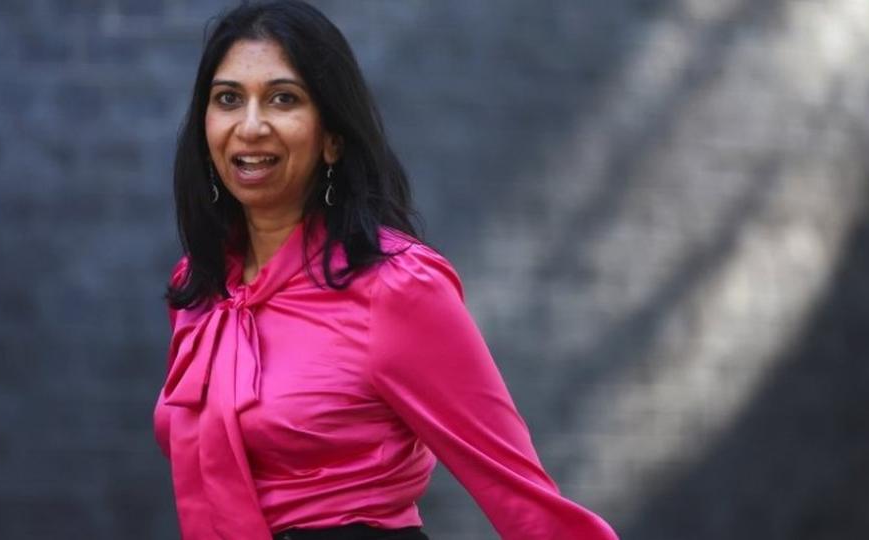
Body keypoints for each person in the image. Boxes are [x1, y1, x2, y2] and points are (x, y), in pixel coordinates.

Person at [153, 2, 618, 539]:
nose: (251, 125)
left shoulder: (396, 286)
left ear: (333, 138)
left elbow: (519, 493)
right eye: (228, 99)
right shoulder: (199, 290)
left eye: (284, 99)